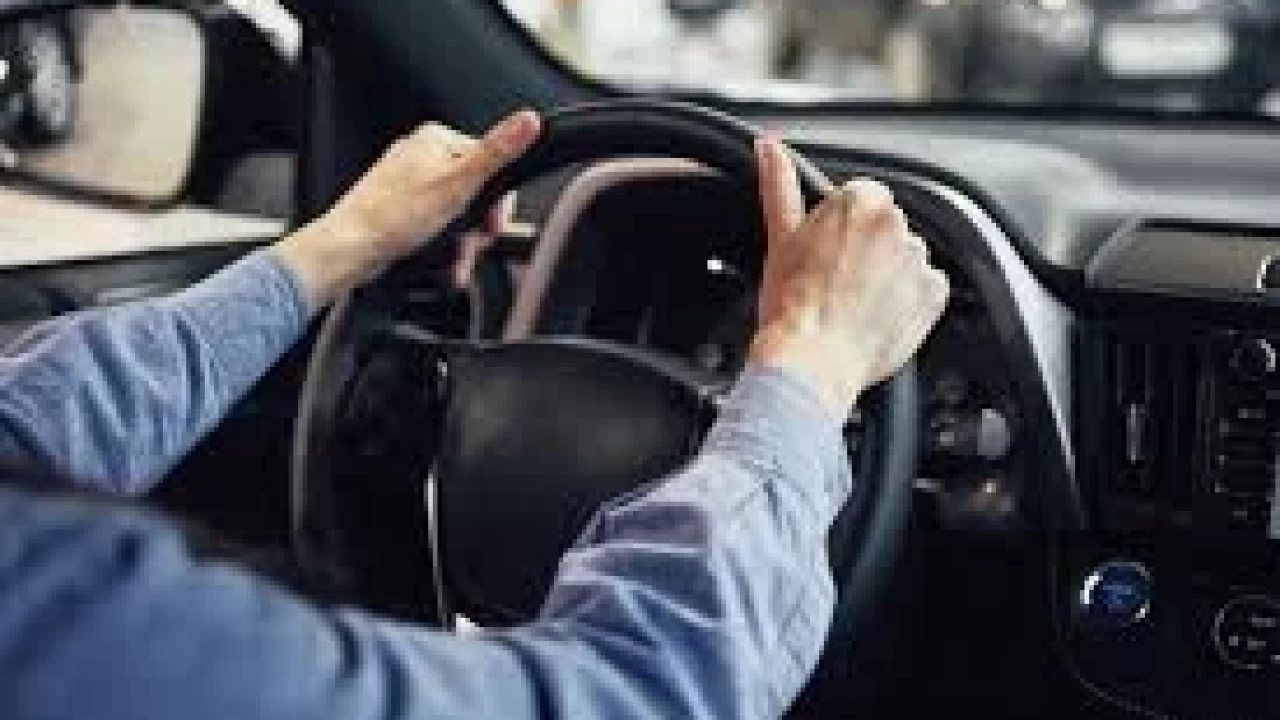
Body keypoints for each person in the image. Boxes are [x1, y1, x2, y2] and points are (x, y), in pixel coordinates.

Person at [0, 110, 948, 719]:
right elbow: (629, 694)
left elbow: (26, 431)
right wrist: (809, 363)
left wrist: (342, 246)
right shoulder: (64, 630)